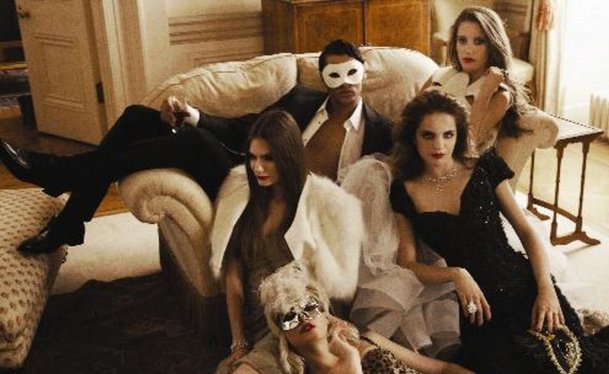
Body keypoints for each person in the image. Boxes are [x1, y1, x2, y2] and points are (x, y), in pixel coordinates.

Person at [0, 38, 391, 254]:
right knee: (137, 116)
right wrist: (191, 113)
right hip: (248, 174)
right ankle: (69, 220)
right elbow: (245, 128)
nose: (345, 82)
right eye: (335, 74)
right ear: (323, 78)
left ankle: (59, 176)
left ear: (364, 73)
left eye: (352, 72)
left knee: (195, 144)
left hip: (289, 207)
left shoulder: (380, 131)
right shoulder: (303, 100)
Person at [389, 90, 609, 374]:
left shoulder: (483, 167)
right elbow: (407, 262)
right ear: (413, 137)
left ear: (459, 135)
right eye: (428, 135)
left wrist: (545, 289)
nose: (439, 145)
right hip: (479, 311)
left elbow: (526, 232)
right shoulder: (404, 190)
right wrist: (456, 274)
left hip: (524, 287)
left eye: (448, 134)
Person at [179, 109, 364, 374]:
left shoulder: (320, 203)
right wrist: (238, 340)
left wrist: (325, 323)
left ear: (288, 157)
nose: (258, 167)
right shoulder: (243, 199)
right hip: (257, 323)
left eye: (269, 158)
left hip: (295, 321)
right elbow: (233, 277)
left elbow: (334, 283)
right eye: (252, 158)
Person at [258, 262, 579, 374]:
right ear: (281, 333)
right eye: (290, 316)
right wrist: (352, 363)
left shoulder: (369, 339)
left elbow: (441, 368)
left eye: (310, 306)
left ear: (324, 310)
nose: (304, 318)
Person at [422, 6, 530, 155]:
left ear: (492, 45)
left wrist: (485, 92)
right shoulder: (440, 75)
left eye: (478, 41)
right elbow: (406, 120)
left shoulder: (499, 94)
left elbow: (469, 143)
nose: (468, 50)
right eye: (462, 40)